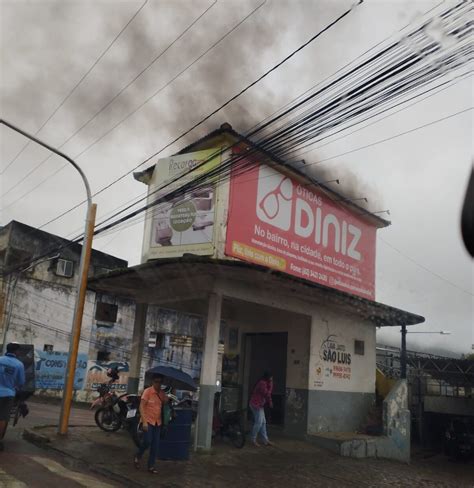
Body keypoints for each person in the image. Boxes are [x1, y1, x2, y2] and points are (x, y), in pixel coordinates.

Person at [134, 374, 169, 474]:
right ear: (152, 382)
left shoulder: (162, 394)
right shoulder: (148, 392)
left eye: (160, 382)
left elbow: (164, 404)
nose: (158, 384)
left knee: (155, 445)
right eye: (156, 382)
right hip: (148, 421)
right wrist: (144, 422)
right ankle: (138, 455)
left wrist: (167, 400)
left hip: (158, 423)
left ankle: (151, 466)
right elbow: (141, 406)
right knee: (147, 441)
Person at [0, 343, 25, 450]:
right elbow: (21, 382)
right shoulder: (19, 365)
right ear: (17, 352)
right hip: (8, 394)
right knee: (3, 418)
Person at [249, 371, 274, 447]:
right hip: (256, 404)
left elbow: (267, 394)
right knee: (259, 422)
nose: (272, 379)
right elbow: (266, 394)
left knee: (263, 422)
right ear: (268, 377)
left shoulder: (265, 383)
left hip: (259, 405)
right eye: (271, 377)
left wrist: (270, 385)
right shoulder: (262, 383)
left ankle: (265, 440)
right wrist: (271, 386)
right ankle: (253, 439)